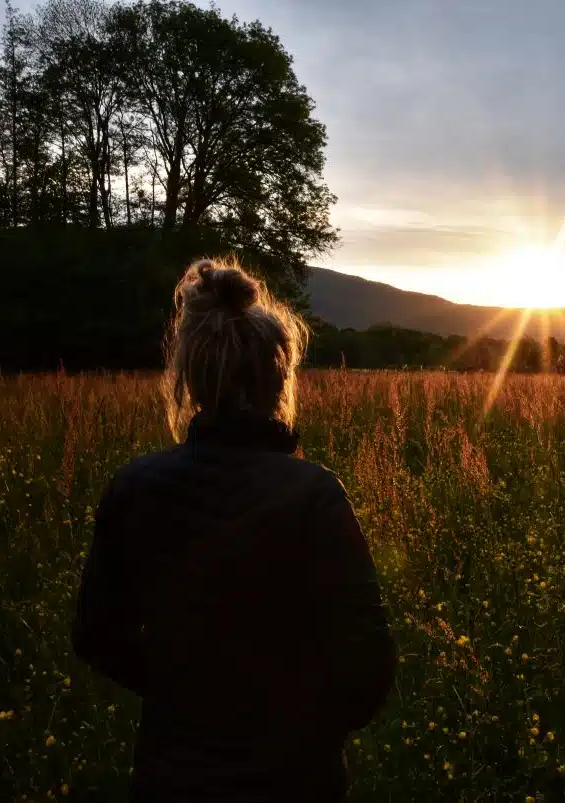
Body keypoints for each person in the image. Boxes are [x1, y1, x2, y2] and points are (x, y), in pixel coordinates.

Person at [72, 258, 396, 802]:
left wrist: (182, 694)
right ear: (279, 378)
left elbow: (96, 637)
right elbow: (369, 664)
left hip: (171, 777)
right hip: (296, 779)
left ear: (191, 377)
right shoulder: (313, 494)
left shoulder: (134, 486)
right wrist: (304, 728)